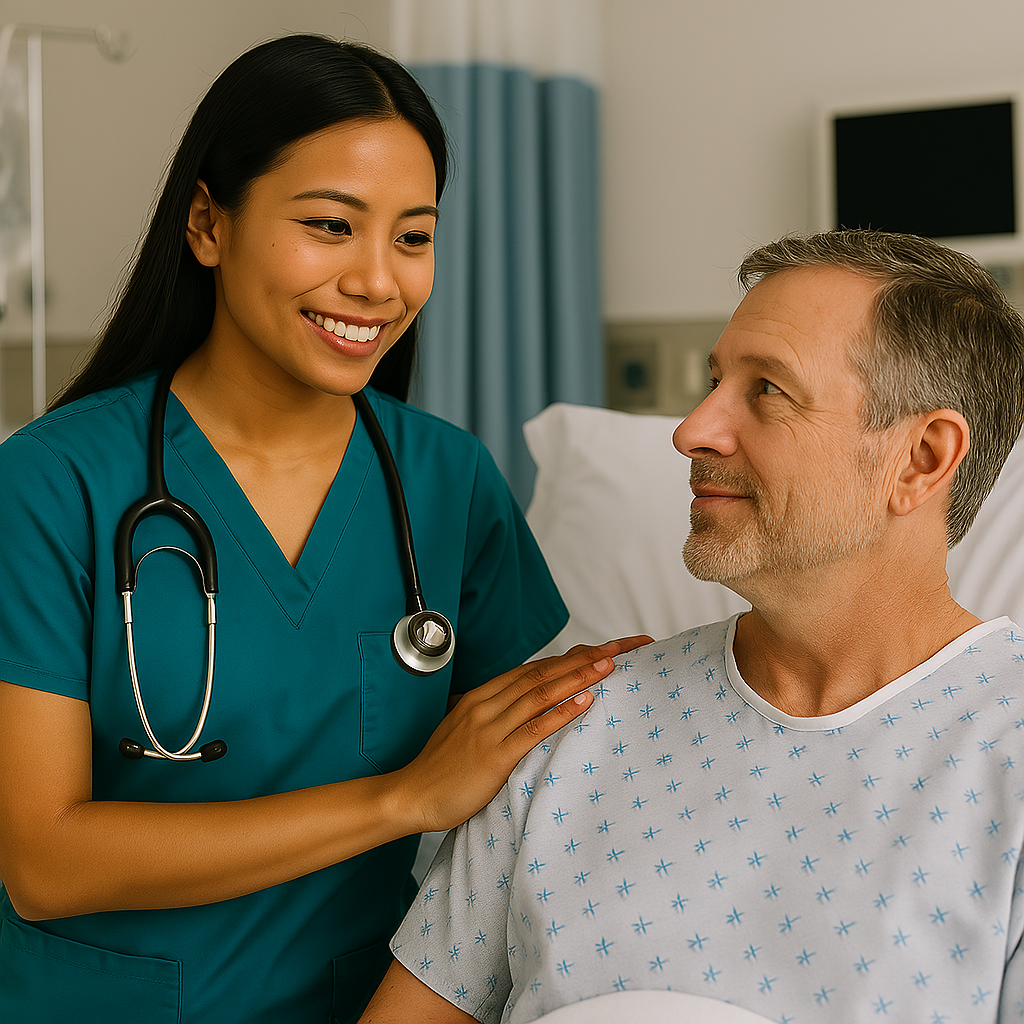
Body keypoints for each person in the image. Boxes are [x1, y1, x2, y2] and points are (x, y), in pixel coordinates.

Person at [0, 34, 647, 1024]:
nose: (378, 281)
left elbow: (535, 790)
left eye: (413, 236)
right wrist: (400, 799)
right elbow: (44, 862)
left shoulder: (447, 481)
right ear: (208, 224)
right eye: (331, 226)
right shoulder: (51, 484)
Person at [361, 229, 1024, 1023]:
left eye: (768, 390)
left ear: (922, 458)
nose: (692, 430)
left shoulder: (1003, 750)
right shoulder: (571, 725)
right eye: (714, 380)